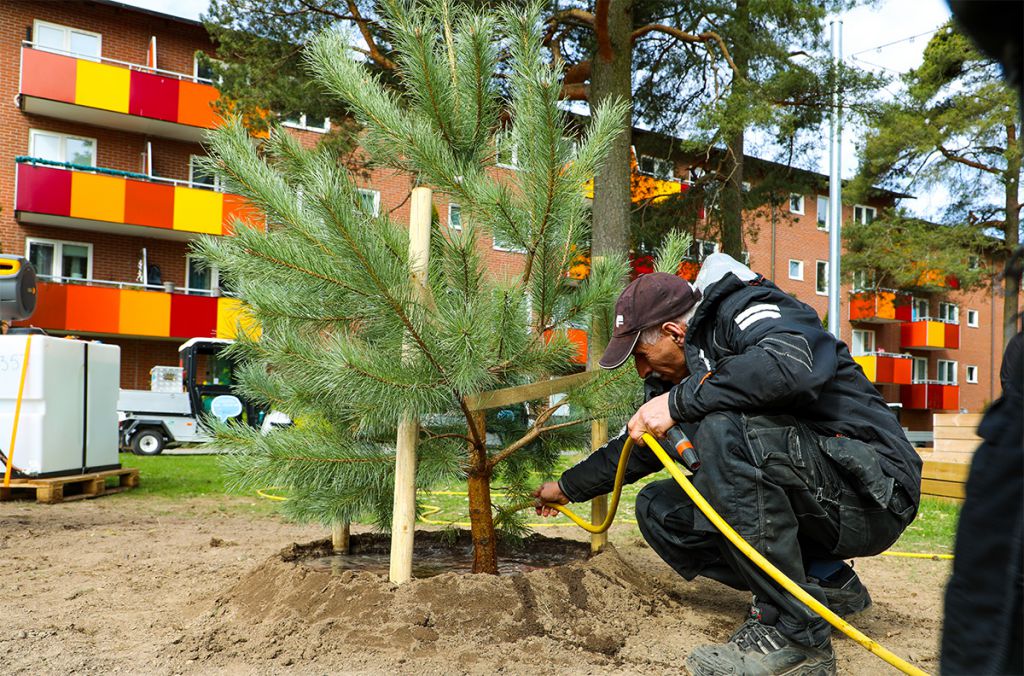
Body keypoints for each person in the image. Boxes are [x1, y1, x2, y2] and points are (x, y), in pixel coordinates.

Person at [534, 254, 922, 676]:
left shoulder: (747, 309)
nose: (642, 369)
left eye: (642, 356)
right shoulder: (685, 372)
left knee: (724, 429)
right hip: (821, 491)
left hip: (873, 493)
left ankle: (797, 637)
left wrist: (679, 402)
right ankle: (827, 583)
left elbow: (789, 368)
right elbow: (644, 445)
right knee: (661, 510)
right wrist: (567, 487)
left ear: (673, 332)